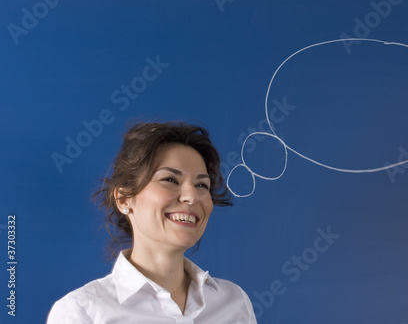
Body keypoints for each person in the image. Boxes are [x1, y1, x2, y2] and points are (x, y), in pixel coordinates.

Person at [47, 121, 257, 324]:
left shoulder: (234, 303)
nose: (192, 197)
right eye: (170, 180)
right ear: (123, 199)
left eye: (201, 185)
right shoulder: (84, 312)